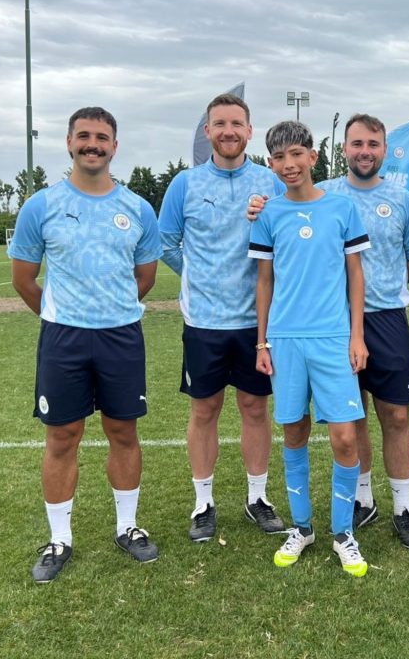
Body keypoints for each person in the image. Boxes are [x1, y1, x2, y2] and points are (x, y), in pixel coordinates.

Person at [9, 106, 161, 584]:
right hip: (63, 339)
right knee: (62, 437)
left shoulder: (137, 209)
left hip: (121, 336)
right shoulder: (42, 205)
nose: (93, 144)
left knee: (123, 432)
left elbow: (145, 276)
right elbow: (24, 279)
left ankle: (127, 527)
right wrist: (65, 316)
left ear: (115, 146)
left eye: (102, 137)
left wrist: (107, 311)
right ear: (69, 142)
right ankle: (60, 539)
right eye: (84, 136)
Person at [159, 93, 287, 542]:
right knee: (205, 409)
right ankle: (203, 503)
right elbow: (166, 242)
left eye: (237, 123)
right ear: (208, 132)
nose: (229, 130)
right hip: (204, 323)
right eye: (220, 124)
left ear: (249, 132)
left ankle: (258, 498)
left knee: (255, 407)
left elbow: (287, 239)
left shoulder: (271, 183)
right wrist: (199, 276)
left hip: (258, 321)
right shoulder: (185, 184)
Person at [248, 120, 372, 577]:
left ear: (314, 157)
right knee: (295, 431)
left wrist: (357, 335)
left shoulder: (342, 208)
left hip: (334, 338)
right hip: (285, 340)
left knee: (344, 436)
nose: (289, 164)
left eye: (297, 154)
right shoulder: (268, 213)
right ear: (271, 162)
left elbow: (355, 274)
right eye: (279, 157)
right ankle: (302, 528)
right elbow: (265, 280)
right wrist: (262, 341)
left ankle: (343, 532)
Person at [316, 114, 409, 549]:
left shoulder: (403, 200)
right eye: (357, 143)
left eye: (373, 144)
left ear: (385, 150)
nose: (365, 151)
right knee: (353, 412)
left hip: (386, 319)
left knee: (396, 414)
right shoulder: (323, 194)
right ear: (344, 149)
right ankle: (364, 500)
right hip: (333, 322)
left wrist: (385, 282)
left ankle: (404, 507)